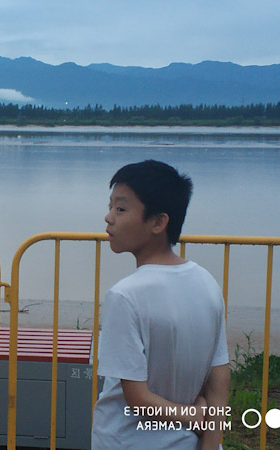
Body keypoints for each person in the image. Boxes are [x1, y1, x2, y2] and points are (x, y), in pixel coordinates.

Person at [91, 160, 230, 449]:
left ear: (158, 222)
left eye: (120, 208)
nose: (108, 217)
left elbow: (137, 399)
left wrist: (191, 416)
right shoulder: (206, 283)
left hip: (128, 441)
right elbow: (218, 376)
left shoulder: (125, 296)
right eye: (110, 206)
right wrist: (210, 441)